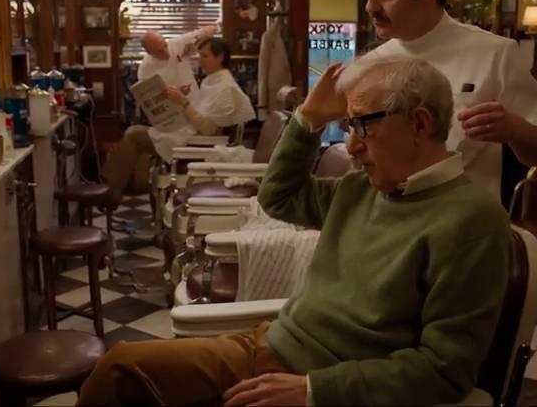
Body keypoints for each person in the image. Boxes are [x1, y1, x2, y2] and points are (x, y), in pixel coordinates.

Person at [76, 55, 511, 406]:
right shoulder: (362, 189)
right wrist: (308, 118)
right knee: (119, 371)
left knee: (120, 372)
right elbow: (278, 197)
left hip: (314, 377)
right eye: (349, 127)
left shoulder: (470, 220)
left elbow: (445, 370)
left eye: (364, 125)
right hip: (272, 343)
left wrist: (314, 390)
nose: (352, 146)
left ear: (419, 123)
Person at [361, 0, 537, 199]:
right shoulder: (371, 64)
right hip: (388, 217)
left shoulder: (495, 53)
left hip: (467, 220)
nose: (370, 6)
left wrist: (514, 129)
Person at [103, 38, 255, 204]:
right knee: (135, 132)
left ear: (220, 57)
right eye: (199, 55)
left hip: (199, 143)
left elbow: (209, 130)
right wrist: (179, 99)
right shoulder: (212, 81)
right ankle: (111, 191)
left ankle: (110, 193)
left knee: (133, 134)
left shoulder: (225, 88)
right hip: (189, 134)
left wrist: (182, 101)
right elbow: (200, 112)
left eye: (205, 56)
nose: (200, 61)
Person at [137, 25, 218, 97]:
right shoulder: (145, 70)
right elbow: (148, 97)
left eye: (165, 45)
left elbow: (205, 32)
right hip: (171, 107)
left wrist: (213, 28)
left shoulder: (176, 44)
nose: (167, 53)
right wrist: (176, 93)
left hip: (194, 101)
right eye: (160, 51)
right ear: (149, 52)